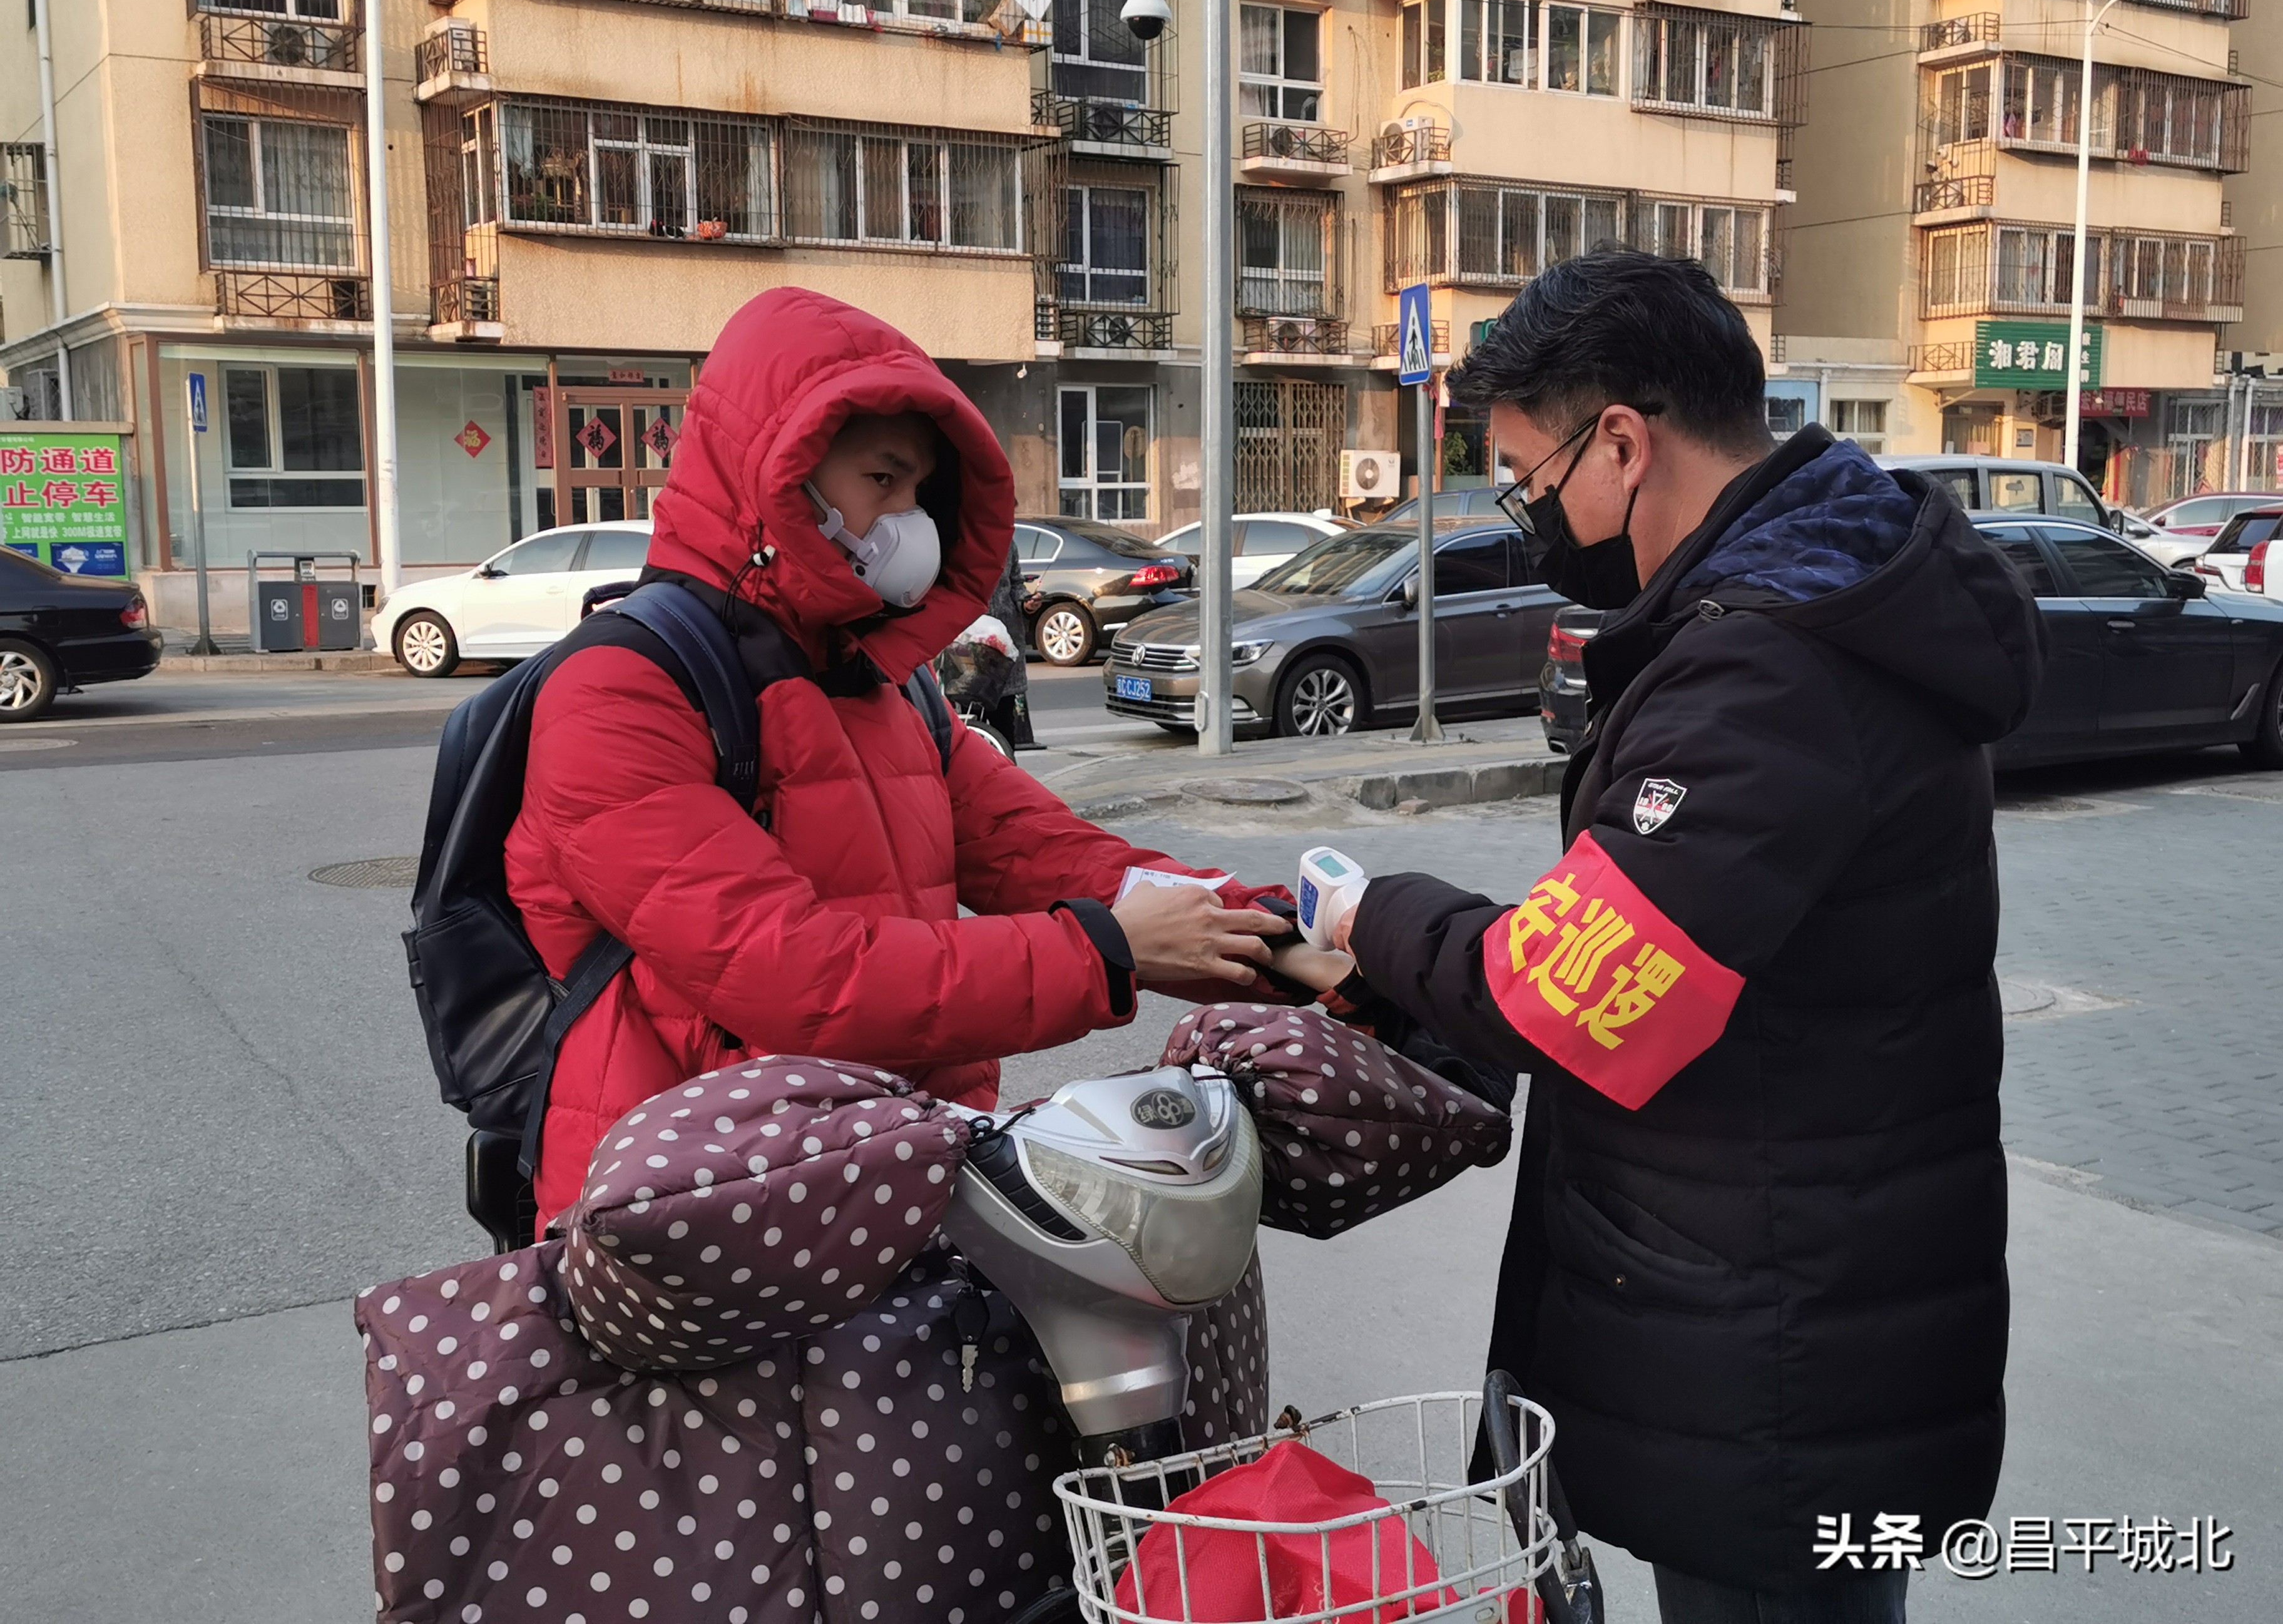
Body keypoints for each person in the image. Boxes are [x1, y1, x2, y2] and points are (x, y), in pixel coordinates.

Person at [1329, 250, 2046, 1621]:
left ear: (1621, 443)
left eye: (1528, 482)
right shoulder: (1797, 610)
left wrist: (1373, 918)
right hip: (1793, 1291)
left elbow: (1581, 994)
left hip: (1776, 1345)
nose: (1526, 517)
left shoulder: (1771, 667)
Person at [506, 287, 1300, 1228]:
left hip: (892, 1171)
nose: (909, 523)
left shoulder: (885, 682)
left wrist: (1277, 935)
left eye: (920, 492)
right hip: (704, 1215)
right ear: (779, 473)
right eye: (882, 483)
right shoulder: (621, 691)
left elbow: (1043, 851)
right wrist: (1109, 950)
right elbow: (798, 975)